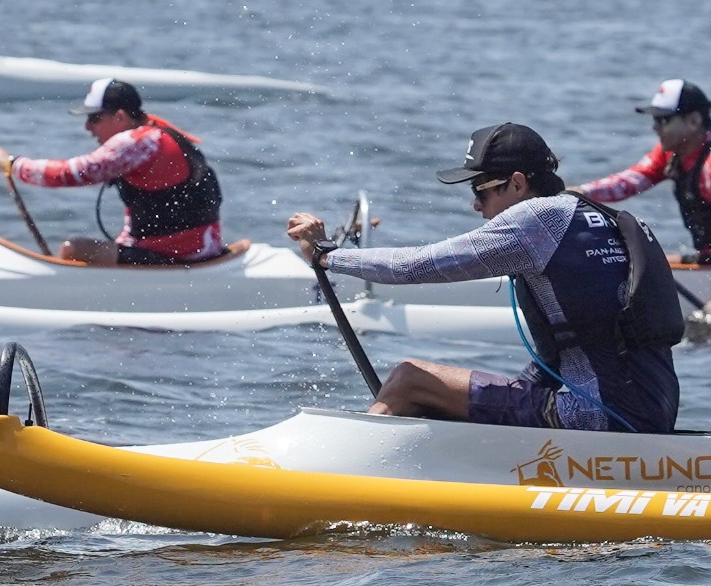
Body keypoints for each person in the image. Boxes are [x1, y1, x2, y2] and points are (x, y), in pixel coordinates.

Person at [286, 122, 683, 435]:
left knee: (410, 379)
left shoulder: (537, 220)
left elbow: (416, 266)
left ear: (517, 183)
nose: (476, 204)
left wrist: (328, 255)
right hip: (651, 410)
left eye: (482, 189)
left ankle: (344, 479)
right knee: (446, 397)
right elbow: (566, 353)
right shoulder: (598, 216)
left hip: (600, 417)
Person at [575, 80, 711, 315]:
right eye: (655, 120)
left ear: (694, 121)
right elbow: (630, 182)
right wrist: (583, 192)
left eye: (664, 120)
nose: (655, 127)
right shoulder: (672, 153)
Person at [0, 78, 224, 265]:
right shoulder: (156, 128)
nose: (87, 127)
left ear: (120, 117)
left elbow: (70, 174)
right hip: (199, 246)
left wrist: (12, 164)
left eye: (94, 118)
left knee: (74, 249)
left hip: (181, 255)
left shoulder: (137, 143)